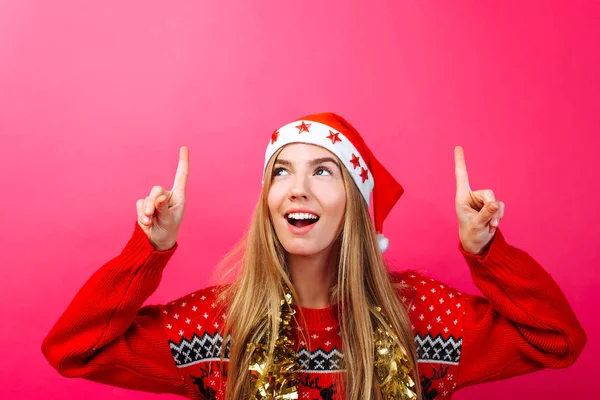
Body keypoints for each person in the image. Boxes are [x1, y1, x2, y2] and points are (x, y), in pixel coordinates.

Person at [42, 112, 586, 400]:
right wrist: (150, 251)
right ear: (268, 201)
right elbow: (72, 350)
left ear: (355, 202)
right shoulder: (217, 324)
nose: (296, 189)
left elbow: (557, 341)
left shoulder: (421, 319)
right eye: (282, 171)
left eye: (322, 171)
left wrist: (486, 251)